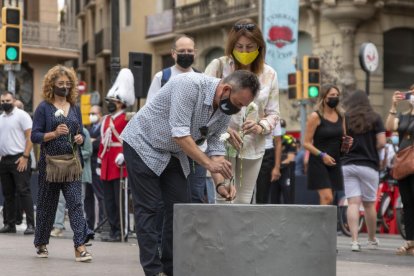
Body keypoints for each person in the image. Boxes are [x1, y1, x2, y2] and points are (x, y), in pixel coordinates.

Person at [121, 70, 260, 276]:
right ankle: (153, 270)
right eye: (238, 103)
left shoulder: (224, 110)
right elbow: (180, 134)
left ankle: (171, 268)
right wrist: (209, 165)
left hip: (174, 154)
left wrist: (221, 183)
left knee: (180, 210)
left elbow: (215, 146)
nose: (238, 109)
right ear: (226, 89)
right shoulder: (189, 85)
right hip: (143, 143)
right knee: (149, 208)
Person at [204, 18, 279, 204]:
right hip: (220, 144)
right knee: (223, 199)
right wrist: (223, 129)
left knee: (244, 202)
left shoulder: (270, 74)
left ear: (259, 47)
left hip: (253, 147)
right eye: (240, 47)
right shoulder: (218, 66)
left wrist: (260, 126)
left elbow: (274, 114)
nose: (244, 51)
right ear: (232, 46)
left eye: (250, 47)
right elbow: (202, 104)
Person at [31, 65, 93, 261]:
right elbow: (35, 136)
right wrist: (54, 133)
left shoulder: (74, 107)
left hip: (72, 164)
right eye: (60, 84)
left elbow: (80, 131)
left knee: (76, 204)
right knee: (46, 205)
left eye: (67, 84)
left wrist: (80, 138)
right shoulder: (44, 107)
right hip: (50, 165)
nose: (64, 87)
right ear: (52, 85)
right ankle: (41, 243)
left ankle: (80, 246)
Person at [341, 90, 386, 252]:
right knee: (368, 204)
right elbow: (382, 142)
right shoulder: (375, 118)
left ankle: (354, 241)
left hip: (347, 164)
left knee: (353, 202)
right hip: (369, 164)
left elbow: (342, 139)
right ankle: (372, 240)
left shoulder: (346, 118)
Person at [97, 68, 135, 242]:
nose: (111, 103)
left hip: (120, 163)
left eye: (114, 100)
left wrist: (125, 155)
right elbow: (103, 142)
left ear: (121, 102)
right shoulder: (105, 119)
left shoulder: (127, 118)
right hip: (106, 163)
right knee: (109, 200)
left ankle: (122, 230)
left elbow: (131, 140)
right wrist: (99, 163)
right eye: (110, 100)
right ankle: (113, 229)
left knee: (120, 200)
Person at [304, 84, 347, 205]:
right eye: (332, 95)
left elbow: (343, 137)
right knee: (327, 197)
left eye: (337, 95)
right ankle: (322, 224)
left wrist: (347, 143)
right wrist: (323, 155)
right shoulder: (315, 116)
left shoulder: (341, 116)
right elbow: (306, 143)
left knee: (330, 200)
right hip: (319, 161)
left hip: (335, 161)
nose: (335, 97)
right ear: (324, 97)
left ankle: (323, 223)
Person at [0, 91, 35, 235]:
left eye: (7, 100)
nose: (5, 103)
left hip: (20, 158)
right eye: (2, 101)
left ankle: (31, 225)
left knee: (23, 191)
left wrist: (25, 156)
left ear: (14, 100)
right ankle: (10, 224)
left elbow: (30, 136)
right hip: (4, 160)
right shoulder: (1, 118)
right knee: (8, 194)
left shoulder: (22, 115)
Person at [385, 85, 414, 255]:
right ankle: (410, 241)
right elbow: (389, 126)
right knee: (408, 203)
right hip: (404, 164)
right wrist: (393, 106)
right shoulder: (403, 117)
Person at [85, 105, 106, 231]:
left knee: (100, 195)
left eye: (94, 113)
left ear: (100, 115)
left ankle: (103, 223)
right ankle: (89, 224)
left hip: (97, 166)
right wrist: (91, 141)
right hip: (88, 168)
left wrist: (92, 142)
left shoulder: (102, 129)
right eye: (90, 113)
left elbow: (99, 143)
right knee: (88, 197)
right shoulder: (89, 128)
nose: (91, 115)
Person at [270, 119, 297, 204]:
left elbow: (291, 158)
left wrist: (278, 165)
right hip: (273, 171)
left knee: (288, 195)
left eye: (283, 127)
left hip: (286, 171)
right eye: (280, 127)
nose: (281, 129)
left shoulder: (290, 140)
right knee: (273, 197)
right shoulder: (271, 140)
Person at [255, 122, 282, 204]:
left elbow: (278, 142)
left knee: (263, 194)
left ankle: (260, 216)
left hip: (266, 154)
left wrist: (277, 167)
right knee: (246, 193)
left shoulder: (274, 115)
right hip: (249, 152)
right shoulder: (250, 111)